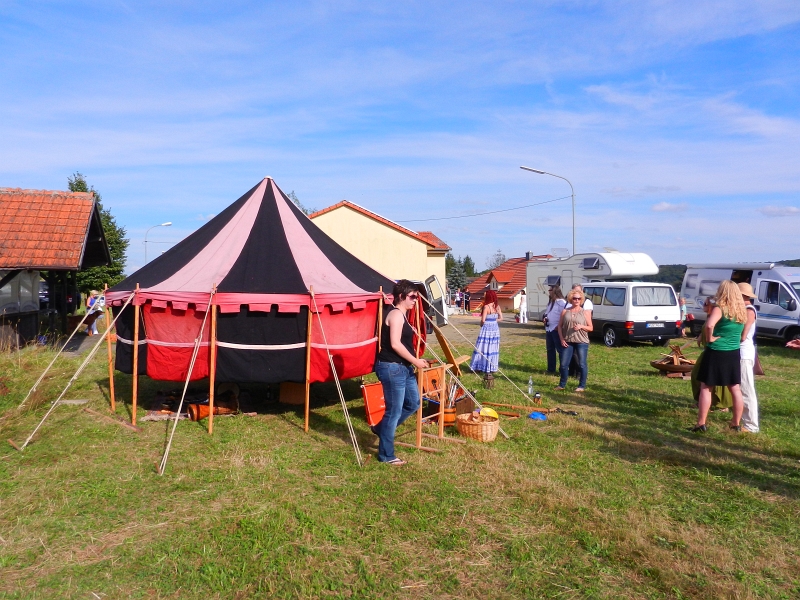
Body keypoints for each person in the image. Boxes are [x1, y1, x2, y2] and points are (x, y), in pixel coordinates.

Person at [374, 280, 430, 465]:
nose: (415, 299)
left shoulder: (404, 315)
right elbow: (395, 344)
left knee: (413, 403)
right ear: (401, 296)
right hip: (392, 367)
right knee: (394, 411)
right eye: (412, 296)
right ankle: (386, 455)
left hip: (404, 367)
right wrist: (416, 361)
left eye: (416, 296)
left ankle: (381, 429)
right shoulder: (396, 315)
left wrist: (412, 362)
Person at [691, 280, 746, 433]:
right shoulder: (741, 310)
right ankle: (735, 424)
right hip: (733, 352)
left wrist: (709, 339)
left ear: (723, 291)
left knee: (706, 387)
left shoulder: (720, 308)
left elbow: (709, 325)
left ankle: (701, 423)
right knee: (735, 387)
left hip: (716, 351)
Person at [556, 288, 592, 392]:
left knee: (581, 364)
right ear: (571, 299)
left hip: (581, 341)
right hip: (568, 341)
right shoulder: (565, 311)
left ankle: (581, 386)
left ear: (581, 300)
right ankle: (562, 385)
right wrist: (562, 339)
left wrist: (581, 326)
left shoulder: (585, 312)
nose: (576, 300)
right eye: (575, 298)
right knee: (563, 365)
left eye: (579, 298)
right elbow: (559, 326)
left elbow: (591, 328)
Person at [738, 282, 759, 433]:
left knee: (746, 389)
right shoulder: (743, 309)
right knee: (739, 388)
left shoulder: (749, 310)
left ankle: (751, 426)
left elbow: (742, 336)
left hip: (744, 353)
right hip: (740, 353)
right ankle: (741, 420)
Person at [471, 289, 502, 387]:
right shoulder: (496, 306)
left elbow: (483, 320)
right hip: (495, 330)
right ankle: (492, 366)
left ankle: (479, 366)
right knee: (492, 348)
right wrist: (494, 320)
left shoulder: (486, 307)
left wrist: (483, 324)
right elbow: (501, 318)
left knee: (483, 347)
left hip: (486, 330)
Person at [543, 285, 567, 374]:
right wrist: (545, 318)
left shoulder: (561, 302)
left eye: (550, 290)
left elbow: (565, 315)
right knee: (550, 350)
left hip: (556, 329)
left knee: (560, 350)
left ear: (555, 291)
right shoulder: (551, 302)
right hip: (549, 328)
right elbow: (547, 313)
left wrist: (560, 326)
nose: (549, 291)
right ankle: (551, 369)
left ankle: (562, 370)